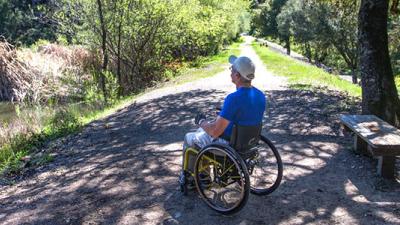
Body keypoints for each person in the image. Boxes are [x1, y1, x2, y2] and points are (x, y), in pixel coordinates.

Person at [181, 55, 267, 173]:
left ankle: (197, 178)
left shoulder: (233, 99)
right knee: (201, 132)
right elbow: (246, 115)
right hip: (248, 142)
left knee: (190, 138)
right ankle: (203, 175)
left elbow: (215, 132)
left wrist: (201, 121)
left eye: (232, 69)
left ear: (237, 75)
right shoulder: (260, 95)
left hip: (228, 145)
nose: (230, 71)